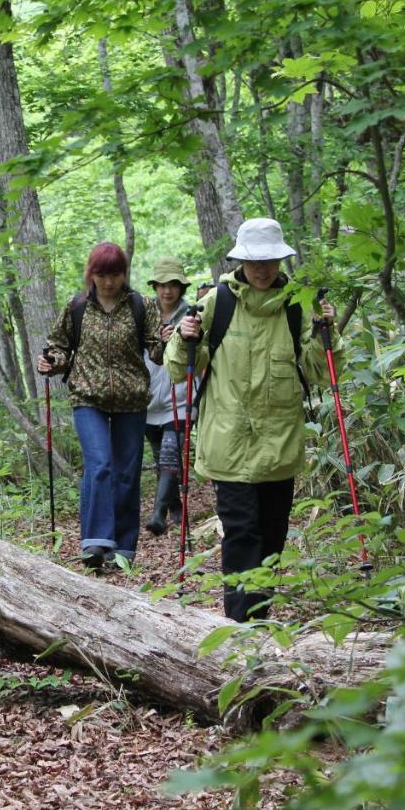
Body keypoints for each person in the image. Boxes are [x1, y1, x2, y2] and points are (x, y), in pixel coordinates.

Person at [170, 218, 339, 621]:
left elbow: (320, 373)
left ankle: (257, 618)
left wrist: (325, 332)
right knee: (243, 533)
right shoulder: (218, 302)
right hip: (228, 443)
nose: (263, 269)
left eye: (271, 260)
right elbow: (182, 370)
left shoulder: (298, 306)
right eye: (254, 261)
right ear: (240, 261)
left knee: (272, 538)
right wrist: (184, 336)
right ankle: (242, 627)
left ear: (281, 260)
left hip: (280, 444)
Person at [38, 242, 171, 571]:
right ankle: (96, 542)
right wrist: (51, 361)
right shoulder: (77, 306)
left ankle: (124, 547)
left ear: (125, 274)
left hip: (131, 399)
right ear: (91, 274)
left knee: (126, 473)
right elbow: (60, 345)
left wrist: (168, 341)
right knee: (100, 465)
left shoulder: (141, 305)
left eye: (115, 274)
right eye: (102, 274)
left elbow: (156, 351)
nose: (109, 281)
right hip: (88, 398)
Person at [143, 257, 194, 536]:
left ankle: (158, 514)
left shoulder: (192, 314)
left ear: (181, 287)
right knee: (161, 458)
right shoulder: (144, 313)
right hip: (149, 397)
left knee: (171, 452)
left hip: (181, 397)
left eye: (173, 284)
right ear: (155, 286)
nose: (167, 291)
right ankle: (177, 509)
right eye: (162, 285)